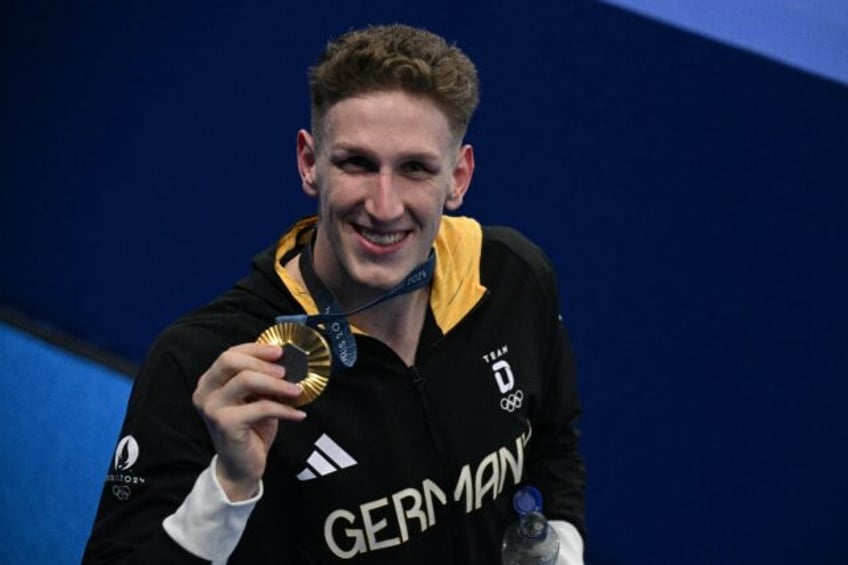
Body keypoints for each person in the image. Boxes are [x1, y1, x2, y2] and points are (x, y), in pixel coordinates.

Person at [83, 23, 586, 564]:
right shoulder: (204, 362)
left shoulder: (511, 277)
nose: (385, 205)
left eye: (416, 168)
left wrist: (563, 549)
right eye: (357, 163)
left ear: (458, 178)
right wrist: (226, 487)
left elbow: (554, 444)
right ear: (309, 163)